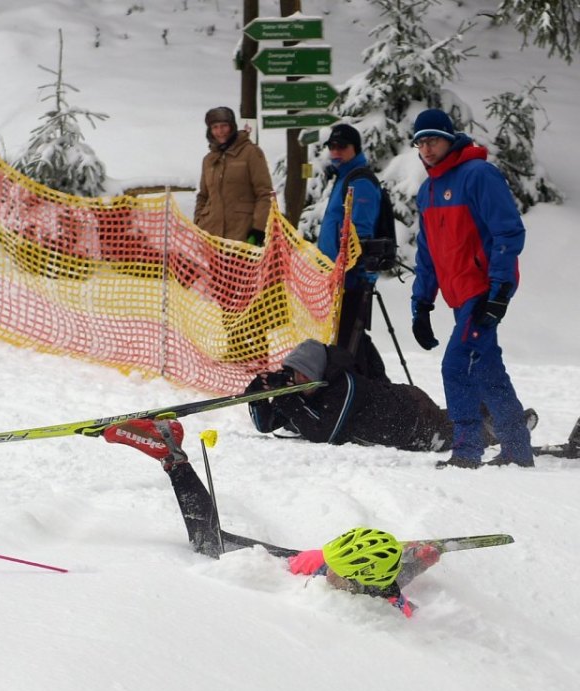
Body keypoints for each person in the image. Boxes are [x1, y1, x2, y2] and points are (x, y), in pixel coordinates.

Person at [101, 418, 442, 617]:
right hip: (285, 560)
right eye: (332, 563)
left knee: (210, 539)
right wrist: (415, 560)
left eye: (337, 570)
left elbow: (396, 589)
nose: (331, 571)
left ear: (360, 581)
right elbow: (390, 579)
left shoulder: (386, 596)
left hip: (316, 565)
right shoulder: (329, 571)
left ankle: (170, 450)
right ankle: (171, 454)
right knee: (208, 542)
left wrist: (419, 564)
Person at [408, 108, 534, 469]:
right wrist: (421, 305)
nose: (427, 148)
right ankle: (517, 449)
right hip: (458, 295)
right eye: (420, 142)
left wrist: (499, 291)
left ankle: (467, 449)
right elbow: (427, 253)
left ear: (450, 139)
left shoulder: (479, 175)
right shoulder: (428, 191)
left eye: (433, 139)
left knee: (456, 365)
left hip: (483, 291)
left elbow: (508, 233)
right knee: (485, 370)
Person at [244, 338, 523, 452]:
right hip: (401, 417)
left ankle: (503, 427)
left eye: (304, 374)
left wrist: (287, 400)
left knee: (453, 436)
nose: (297, 380)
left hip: (411, 416)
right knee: (450, 420)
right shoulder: (302, 391)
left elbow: (325, 434)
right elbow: (266, 425)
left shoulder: (346, 385)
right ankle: (487, 413)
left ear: (318, 371)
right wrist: (259, 393)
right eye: (295, 374)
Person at [316, 123, 388, 380]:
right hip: (336, 277)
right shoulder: (344, 177)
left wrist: (357, 271)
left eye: (342, 146)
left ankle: (367, 391)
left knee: (348, 341)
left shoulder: (360, 180)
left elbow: (361, 232)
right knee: (348, 340)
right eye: (332, 147)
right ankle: (377, 390)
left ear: (354, 148)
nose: (336, 151)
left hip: (351, 278)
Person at [193, 106, 273, 244]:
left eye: (224, 126)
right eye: (215, 127)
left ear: (232, 127)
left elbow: (264, 194)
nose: (220, 131)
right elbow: (203, 196)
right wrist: (199, 222)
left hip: (243, 235)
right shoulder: (209, 160)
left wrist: (259, 229)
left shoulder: (250, 152)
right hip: (212, 237)